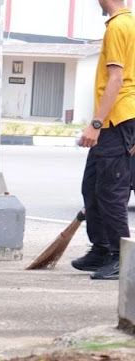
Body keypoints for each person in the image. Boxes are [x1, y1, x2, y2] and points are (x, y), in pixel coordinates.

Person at [72, 0, 135, 280]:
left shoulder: (120, 26)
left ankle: (121, 257)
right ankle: (101, 249)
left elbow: (116, 79)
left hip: (118, 120)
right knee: (92, 186)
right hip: (113, 121)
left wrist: (95, 124)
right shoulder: (121, 24)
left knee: (111, 192)